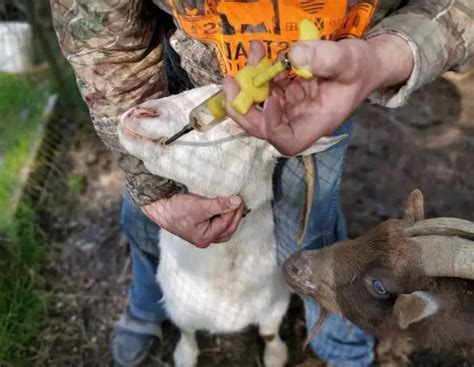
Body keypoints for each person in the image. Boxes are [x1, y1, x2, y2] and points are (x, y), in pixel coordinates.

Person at [49, 0, 473, 366]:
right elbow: (98, 30)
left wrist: (382, 58)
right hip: (190, 76)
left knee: (308, 235)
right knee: (145, 220)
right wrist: (149, 186)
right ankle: (147, 306)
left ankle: (339, 346)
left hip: (320, 99)